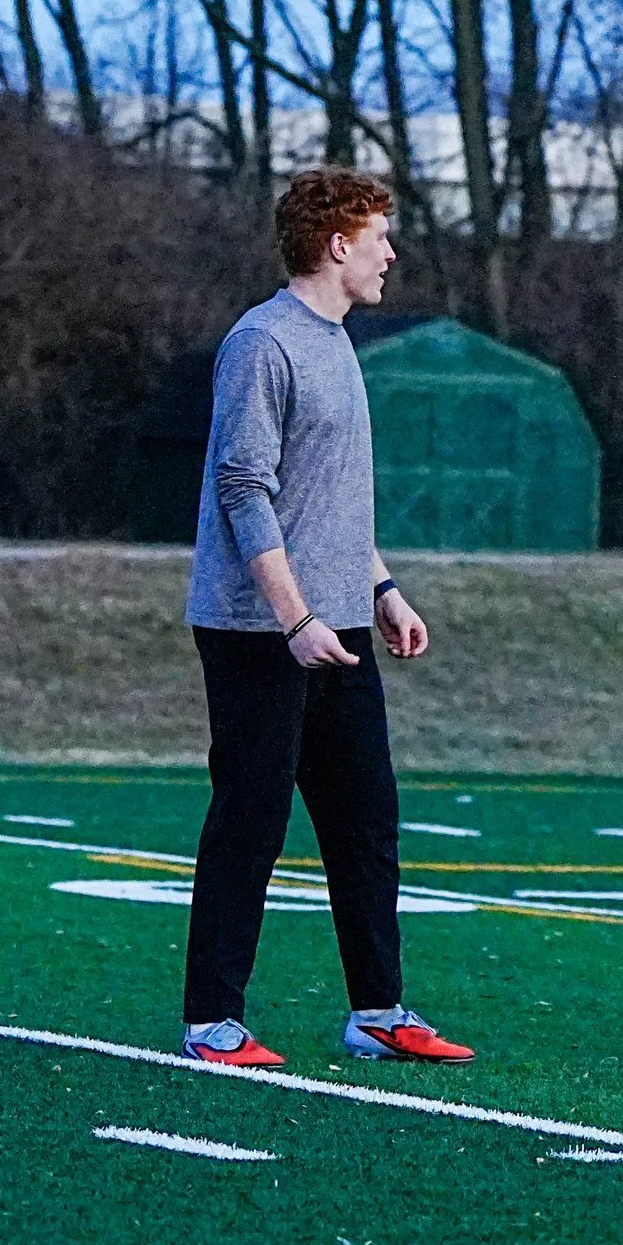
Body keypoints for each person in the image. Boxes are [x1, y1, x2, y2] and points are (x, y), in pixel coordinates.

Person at [179, 165, 475, 1069]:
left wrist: (381, 589)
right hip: (259, 626)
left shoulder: (340, 340)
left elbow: (330, 503)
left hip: (338, 619)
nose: (391, 251)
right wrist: (295, 615)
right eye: (379, 235)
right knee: (253, 816)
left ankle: (378, 1011)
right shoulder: (261, 343)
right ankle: (212, 1021)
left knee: (365, 815)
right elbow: (245, 488)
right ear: (336, 244)